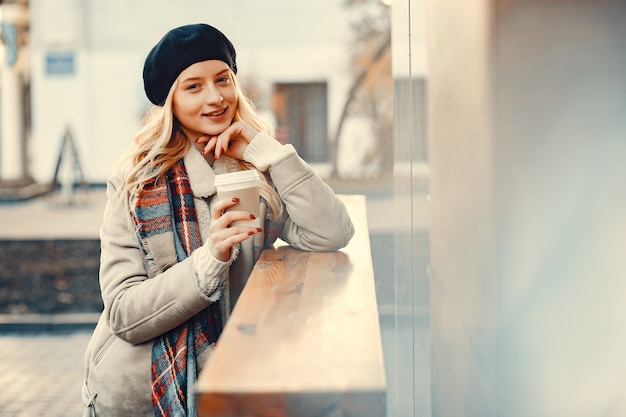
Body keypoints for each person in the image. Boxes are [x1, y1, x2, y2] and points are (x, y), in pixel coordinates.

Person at [81, 23, 354, 416]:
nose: (215, 98)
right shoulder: (134, 182)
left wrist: (271, 153)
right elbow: (123, 313)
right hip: (140, 395)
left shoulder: (254, 170)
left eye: (223, 79)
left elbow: (332, 231)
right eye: (193, 86)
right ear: (170, 101)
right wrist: (209, 260)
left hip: (234, 378)